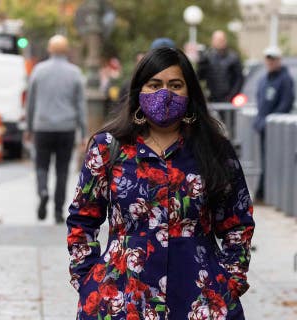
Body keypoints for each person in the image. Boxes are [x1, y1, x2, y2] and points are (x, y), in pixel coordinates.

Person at [67, 47, 254, 319]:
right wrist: (87, 280)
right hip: (122, 298)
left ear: (189, 93)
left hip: (200, 299)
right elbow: (83, 217)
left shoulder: (215, 150)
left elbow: (237, 222)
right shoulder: (108, 148)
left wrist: (231, 281)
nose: (164, 93)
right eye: (154, 84)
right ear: (139, 91)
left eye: (175, 85)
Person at [25, 34, 86, 224]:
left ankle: (43, 191)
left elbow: (30, 102)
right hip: (66, 128)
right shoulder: (75, 73)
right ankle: (59, 212)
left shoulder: (38, 71)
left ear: (50, 50)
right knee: (62, 171)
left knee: (41, 165)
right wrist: (83, 132)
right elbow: (80, 105)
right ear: (66, 51)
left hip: (42, 126)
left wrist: (29, 127)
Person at [252, 46, 295, 201]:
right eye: (268, 58)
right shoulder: (264, 79)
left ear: (279, 60)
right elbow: (260, 101)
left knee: (275, 162)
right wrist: (259, 121)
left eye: (273, 59)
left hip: (276, 129)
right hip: (264, 127)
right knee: (264, 160)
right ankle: (263, 192)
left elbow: (286, 103)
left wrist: (269, 121)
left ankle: (268, 194)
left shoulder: (285, 79)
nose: (270, 62)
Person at [197, 30, 244, 103]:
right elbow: (200, 77)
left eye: (220, 40)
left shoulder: (233, 57)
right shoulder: (208, 57)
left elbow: (239, 79)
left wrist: (232, 96)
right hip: (212, 98)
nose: (218, 42)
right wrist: (201, 63)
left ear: (225, 40)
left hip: (228, 99)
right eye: (216, 40)